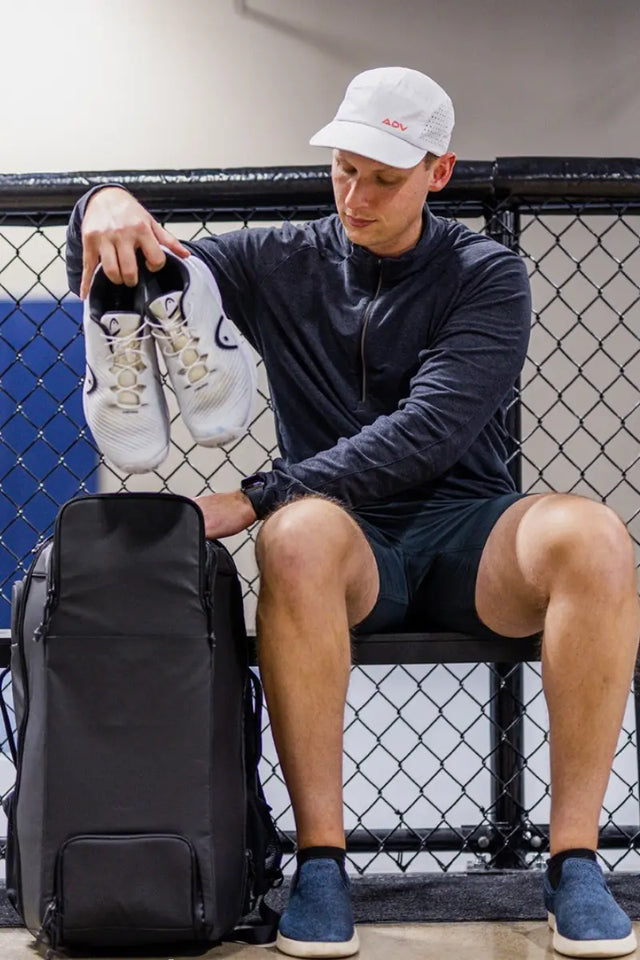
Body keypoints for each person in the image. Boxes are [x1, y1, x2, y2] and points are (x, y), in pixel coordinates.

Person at [65, 66, 639, 959]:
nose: (356, 195)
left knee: (595, 535)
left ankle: (573, 863)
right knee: (296, 535)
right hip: (341, 543)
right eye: (344, 169)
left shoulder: (488, 274)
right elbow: (144, 268)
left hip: (467, 531)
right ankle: (322, 865)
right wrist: (99, 207)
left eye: (383, 177)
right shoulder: (277, 258)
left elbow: (427, 432)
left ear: (437, 175)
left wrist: (254, 495)